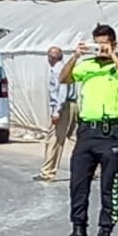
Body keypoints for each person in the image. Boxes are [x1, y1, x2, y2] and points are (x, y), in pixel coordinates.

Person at [58, 24, 118, 236]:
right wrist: (76, 55)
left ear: (113, 43)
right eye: (97, 43)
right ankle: (78, 231)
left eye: (105, 43)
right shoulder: (87, 65)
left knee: (108, 184)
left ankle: (105, 232)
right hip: (86, 132)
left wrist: (113, 56)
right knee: (78, 182)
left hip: (111, 131)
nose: (100, 48)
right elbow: (64, 78)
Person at [36, 45, 75, 182]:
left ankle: (48, 172)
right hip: (72, 104)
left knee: (54, 139)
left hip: (63, 106)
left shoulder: (58, 70)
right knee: (76, 138)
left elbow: (62, 90)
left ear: (51, 58)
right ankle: (93, 168)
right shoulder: (65, 67)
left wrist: (57, 111)